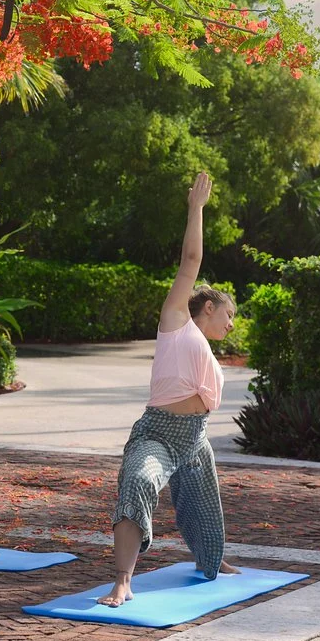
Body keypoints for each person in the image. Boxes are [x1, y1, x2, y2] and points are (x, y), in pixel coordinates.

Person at [99, 171, 239, 608]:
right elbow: (190, 261)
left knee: (207, 519)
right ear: (208, 307)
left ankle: (215, 560)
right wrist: (196, 209)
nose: (231, 324)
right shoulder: (177, 324)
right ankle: (122, 579)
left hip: (194, 439)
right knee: (138, 481)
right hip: (158, 433)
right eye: (228, 315)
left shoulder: (207, 354)